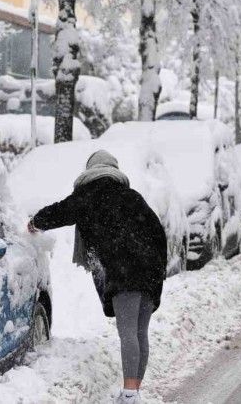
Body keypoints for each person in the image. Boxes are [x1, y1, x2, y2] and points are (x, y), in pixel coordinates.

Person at [28, 150, 167, 404]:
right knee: (139, 332)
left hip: (124, 270)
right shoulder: (133, 197)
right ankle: (134, 391)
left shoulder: (89, 194)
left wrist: (35, 222)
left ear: (90, 170)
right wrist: (158, 271)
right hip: (149, 269)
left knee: (127, 332)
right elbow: (157, 231)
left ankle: (130, 394)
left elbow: (61, 211)